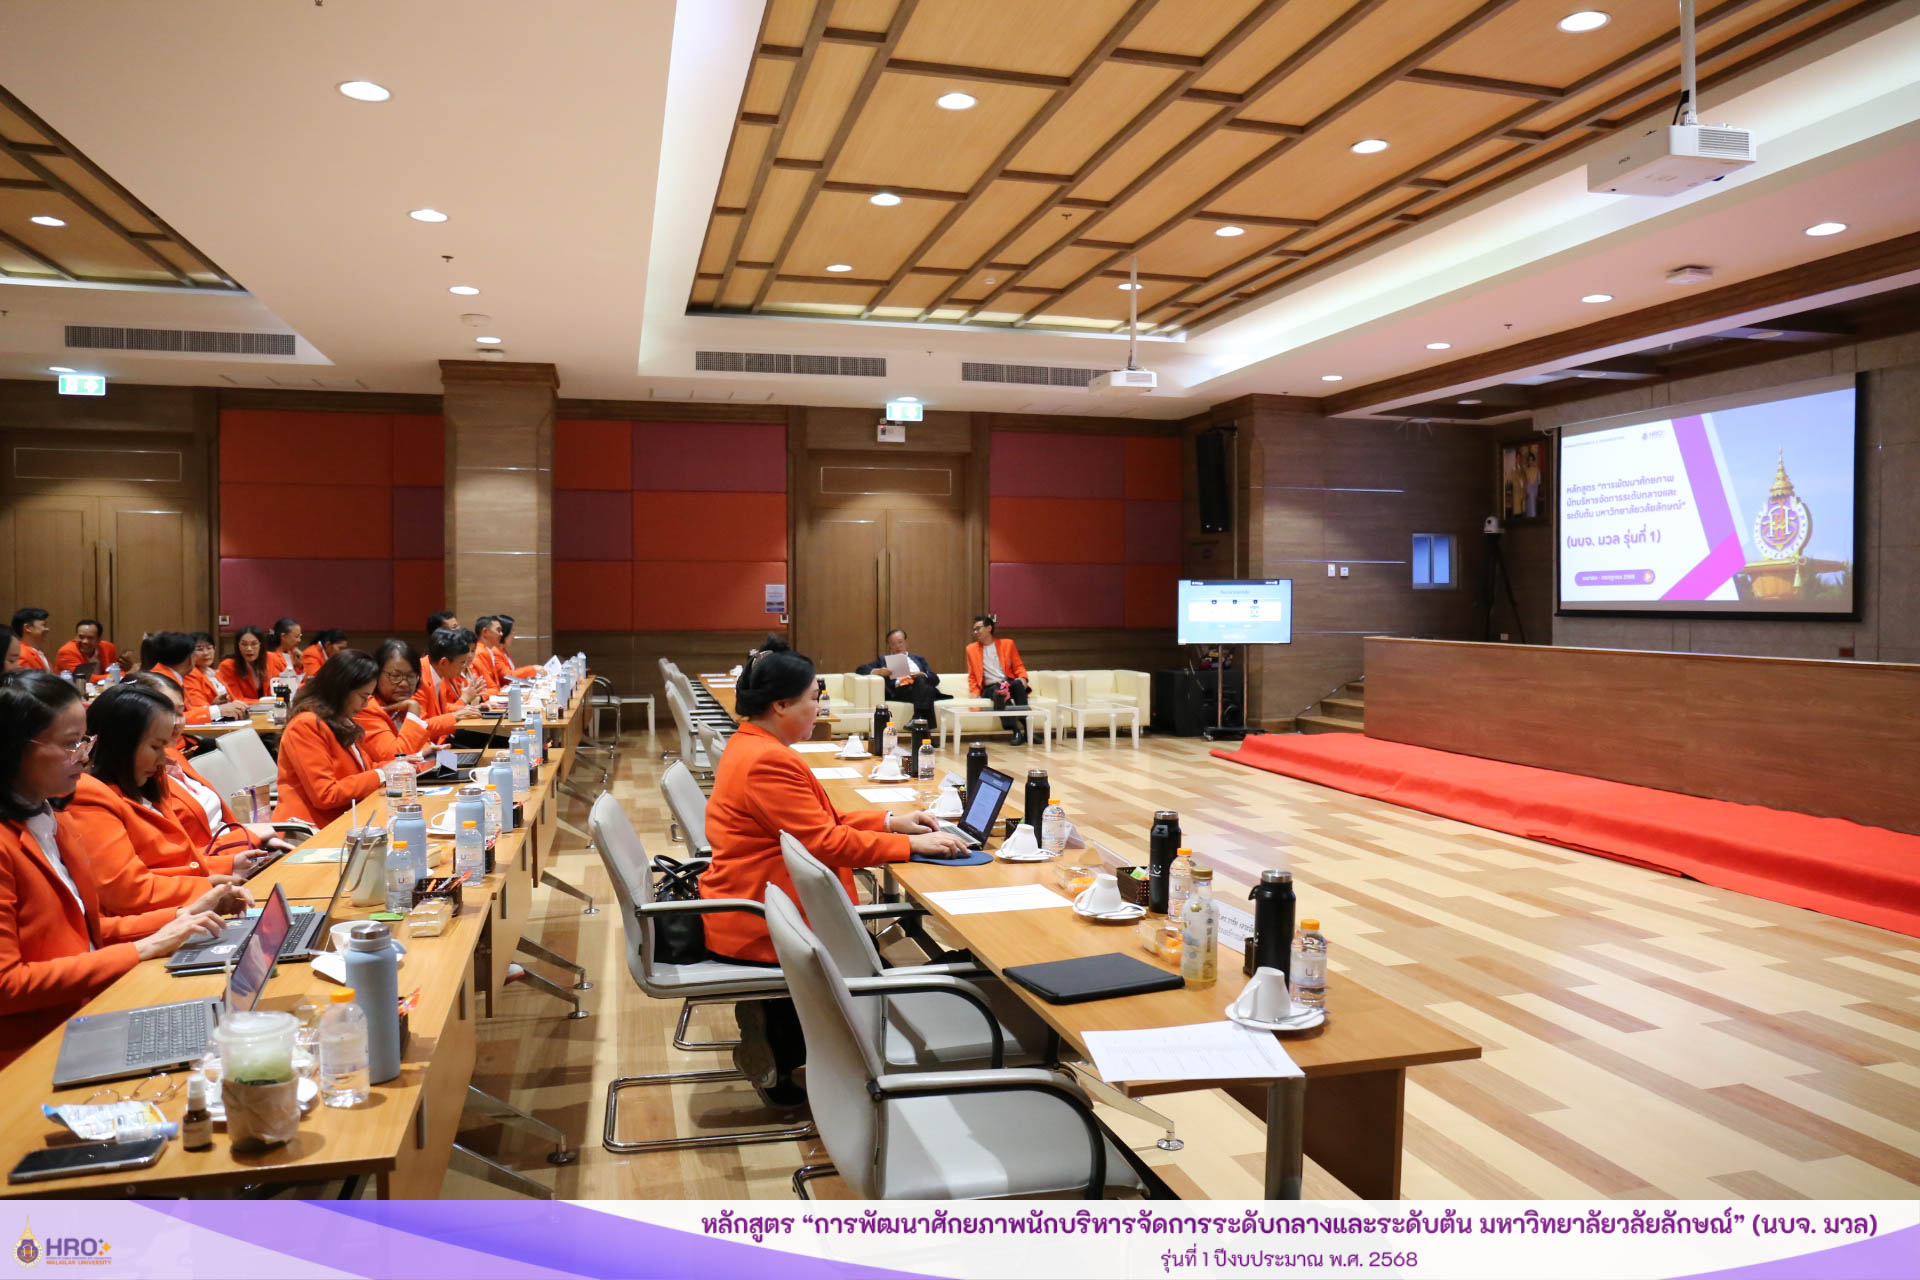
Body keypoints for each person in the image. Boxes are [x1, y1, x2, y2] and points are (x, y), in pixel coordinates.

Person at [701, 638, 966, 1105]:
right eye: (814, 698)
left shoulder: (754, 746)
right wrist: (909, 846)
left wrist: (891, 822)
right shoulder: (767, 760)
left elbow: (820, 823)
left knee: (879, 960)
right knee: (882, 966)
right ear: (781, 705)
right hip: (764, 918)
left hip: (763, 902)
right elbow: (824, 842)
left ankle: (792, 1041)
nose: (820, 708)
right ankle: (820, 1053)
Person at [0, 672, 235, 1068]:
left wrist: (181, 916)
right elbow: (7, 986)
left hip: (91, 1013)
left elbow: (86, 933)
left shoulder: (52, 817)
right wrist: (142, 949)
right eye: (70, 744)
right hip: (35, 1052)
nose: (84, 757)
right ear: (13, 748)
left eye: (85, 741)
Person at [62, 684, 261, 904]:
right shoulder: (88, 796)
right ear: (121, 744)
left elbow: (177, 862)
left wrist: (228, 865)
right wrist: (207, 888)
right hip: (164, 915)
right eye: (156, 747)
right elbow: (127, 889)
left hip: (184, 901)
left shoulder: (152, 781)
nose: (162, 759)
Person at [128, 673, 289, 864]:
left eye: (180, 712)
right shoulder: (140, 775)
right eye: (166, 713)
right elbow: (177, 858)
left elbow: (224, 822)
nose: (176, 722)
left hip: (242, 851)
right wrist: (249, 838)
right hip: (217, 865)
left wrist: (254, 838)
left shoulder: (173, 755)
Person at [273, 650, 383, 826]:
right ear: (342, 690)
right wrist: (381, 774)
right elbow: (326, 795)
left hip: (345, 820)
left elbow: (364, 770)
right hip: (311, 830)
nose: (365, 704)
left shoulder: (340, 719)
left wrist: (402, 766)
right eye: (363, 696)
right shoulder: (305, 725)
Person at [354, 639, 457, 764]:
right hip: (388, 776)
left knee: (456, 764)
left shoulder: (401, 703)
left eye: (411, 676)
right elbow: (395, 758)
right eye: (395, 676)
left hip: (417, 771)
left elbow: (419, 746)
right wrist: (413, 711)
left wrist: (427, 753)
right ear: (376, 674)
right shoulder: (366, 707)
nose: (404, 684)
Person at [145, 631, 241, 726]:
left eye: (209, 648)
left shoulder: (169, 675)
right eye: (197, 651)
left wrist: (215, 708)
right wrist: (218, 710)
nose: (205, 653)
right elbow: (173, 719)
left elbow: (189, 710)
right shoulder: (162, 682)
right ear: (190, 658)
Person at [856, 628, 947, 723]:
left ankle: (918, 720)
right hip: (902, 690)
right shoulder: (883, 660)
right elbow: (860, 669)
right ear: (889, 646)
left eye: (900, 642)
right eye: (893, 644)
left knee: (921, 680)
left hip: (920, 688)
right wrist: (878, 671)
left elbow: (935, 679)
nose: (897, 646)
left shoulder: (919, 659)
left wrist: (923, 674)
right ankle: (919, 721)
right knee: (928, 690)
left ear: (906, 642)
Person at [966, 613, 1032, 745]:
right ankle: (1015, 731)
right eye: (974, 630)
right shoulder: (971, 649)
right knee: (1000, 692)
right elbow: (972, 675)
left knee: (1017, 685)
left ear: (989, 628)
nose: (975, 632)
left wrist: (1023, 678)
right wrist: (974, 692)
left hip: (1007, 682)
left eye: (978, 628)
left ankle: (1028, 731)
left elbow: (1018, 665)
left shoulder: (1007, 644)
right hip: (990, 687)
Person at [417, 627, 479, 720]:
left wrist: (470, 709)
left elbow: (443, 709)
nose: (464, 667)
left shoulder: (439, 671)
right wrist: (455, 715)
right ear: (444, 662)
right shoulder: (418, 678)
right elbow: (421, 724)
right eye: (462, 662)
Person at [218, 625, 273, 701]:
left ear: (261, 645)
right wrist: (265, 703)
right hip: (243, 707)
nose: (249, 649)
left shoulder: (270, 658)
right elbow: (236, 698)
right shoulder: (227, 666)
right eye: (244, 644)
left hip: (268, 706)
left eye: (254, 644)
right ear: (238, 646)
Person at [9, 608, 51, 672]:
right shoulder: (21, 654)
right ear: (27, 628)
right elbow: (25, 678)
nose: (47, 629)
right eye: (44, 625)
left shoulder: (38, 652)